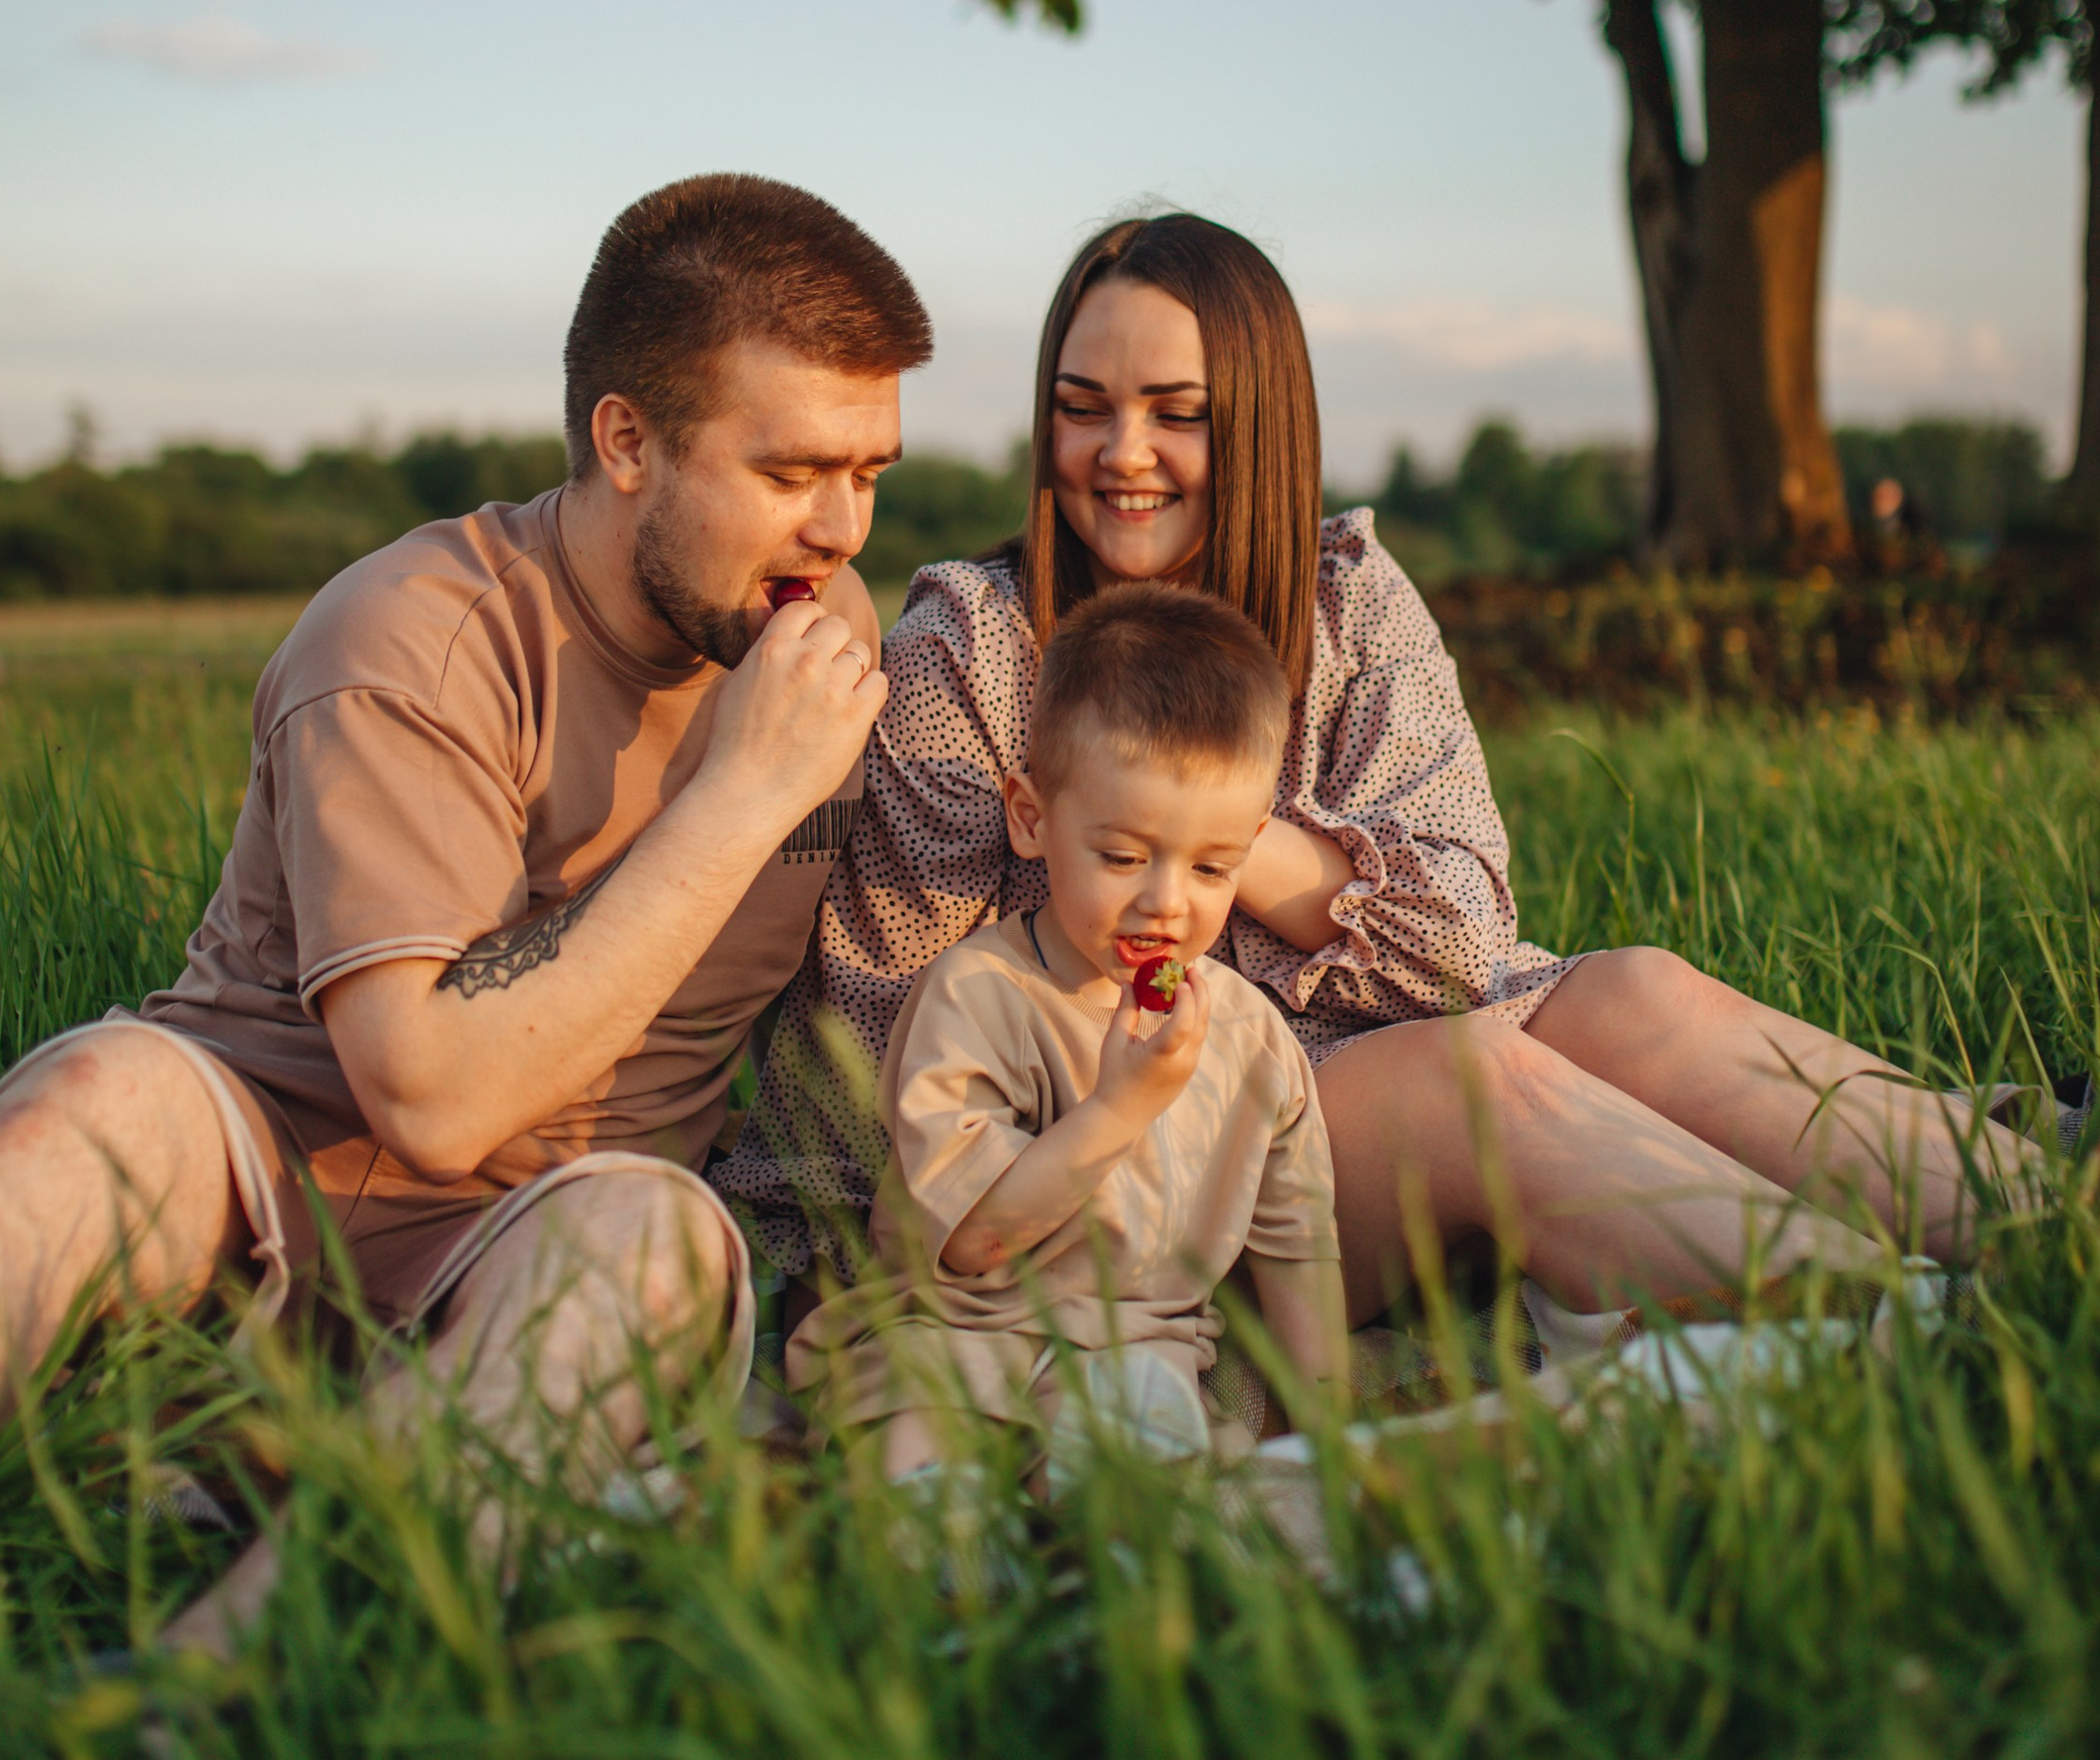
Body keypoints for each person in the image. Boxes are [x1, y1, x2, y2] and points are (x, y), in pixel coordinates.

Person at [0, 174, 929, 1649]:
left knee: (654, 1240)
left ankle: (199, 1710)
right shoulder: (413, 636)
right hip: (250, 1210)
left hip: (548, 1266)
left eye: (870, 472)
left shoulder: (812, 629)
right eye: (795, 470)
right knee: (101, 1096)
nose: (841, 528)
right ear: (627, 439)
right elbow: (428, 1096)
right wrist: (739, 799)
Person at [725, 211, 2029, 1341]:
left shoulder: (1346, 602)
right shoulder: (979, 653)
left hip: (1348, 1105)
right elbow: (880, 1038)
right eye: (1083, 407)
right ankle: (1896, 1329)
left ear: (1259, 420)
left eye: (1179, 414)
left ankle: (2049, 1222)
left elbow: (1467, 938)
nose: (1122, 452)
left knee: (1630, 994)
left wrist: (1228, 843)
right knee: (1470, 1080)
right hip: (1114, 1184)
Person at [788, 579, 1346, 1481]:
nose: (1166, 902)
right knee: (916, 1488)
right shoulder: (980, 994)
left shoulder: (1250, 1039)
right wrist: (1120, 1110)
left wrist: (1328, 1439)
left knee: (1151, 1474)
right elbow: (971, 1242)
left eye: (1213, 868)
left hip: (1134, 1358)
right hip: (943, 1344)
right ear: (1032, 817)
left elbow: (1298, 1241)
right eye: (1122, 857)